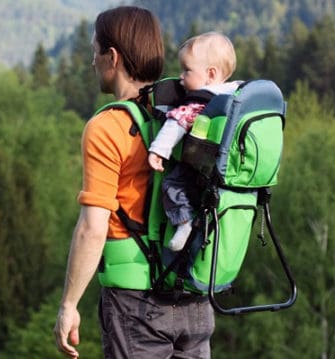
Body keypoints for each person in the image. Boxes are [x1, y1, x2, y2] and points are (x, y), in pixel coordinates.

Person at [53, 6, 214, 359]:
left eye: (95, 52)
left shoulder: (107, 127)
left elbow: (92, 229)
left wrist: (69, 304)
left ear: (112, 57)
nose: (92, 62)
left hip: (136, 306)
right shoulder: (189, 113)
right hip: (195, 298)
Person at [148, 31, 241, 252]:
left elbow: (175, 124)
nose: (181, 77)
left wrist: (158, 151)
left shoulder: (199, 101)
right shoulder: (237, 93)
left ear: (210, 74)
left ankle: (184, 223)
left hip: (199, 165)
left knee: (172, 185)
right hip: (228, 169)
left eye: (187, 70)